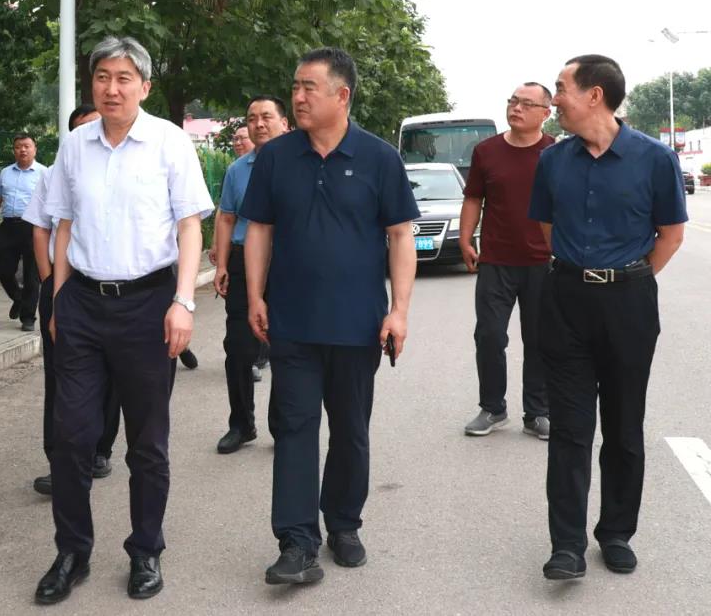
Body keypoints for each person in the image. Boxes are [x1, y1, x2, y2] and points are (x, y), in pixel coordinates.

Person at [34, 36, 213, 605]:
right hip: (83, 305)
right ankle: (72, 551)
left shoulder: (169, 141)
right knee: (71, 437)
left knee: (147, 442)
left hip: (148, 305)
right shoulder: (74, 145)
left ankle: (145, 550)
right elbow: (63, 225)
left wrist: (183, 301)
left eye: (123, 78)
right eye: (102, 77)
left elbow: (190, 226)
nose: (111, 88)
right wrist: (58, 300)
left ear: (145, 87)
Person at [241, 47, 419, 585]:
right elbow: (260, 229)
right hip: (292, 321)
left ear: (342, 95)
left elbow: (400, 235)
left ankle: (343, 523)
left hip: (357, 324)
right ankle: (297, 541)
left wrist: (399, 311)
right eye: (295, 86)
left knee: (350, 430)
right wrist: (255, 296)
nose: (297, 97)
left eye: (309, 88)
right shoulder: (276, 157)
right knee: (294, 428)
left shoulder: (379, 157)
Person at [529, 55, 685, 580]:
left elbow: (671, 234)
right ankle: (567, 545)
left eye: (561, 88)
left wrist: (627, 278)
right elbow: (548, 229)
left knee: (623, 426)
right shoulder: (553, 161)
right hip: (566, 301)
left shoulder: (655, 159)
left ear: (594, 95)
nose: (554, 99)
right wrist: (585, 273)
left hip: (629, 306)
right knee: (570, 429)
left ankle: (616, 533)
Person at [23, 104, 120, 496]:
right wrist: (50, 283)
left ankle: (99, 450)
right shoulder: (57, 171)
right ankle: (61, 460)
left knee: (110, 375)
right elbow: (41, 228)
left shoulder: (124, 168)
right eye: (83, 128)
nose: (93, 133)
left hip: (108, 287)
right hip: (64, 286)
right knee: (60, 378)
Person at [460, 83, 555, 440]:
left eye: (526, 104)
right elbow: (474, 198)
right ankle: (493, 408)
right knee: (488, 335)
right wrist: (466, 239)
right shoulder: (486, 151)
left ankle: (538, 412)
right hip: (496, 260)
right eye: (513, 101)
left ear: (545, 113)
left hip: (543, 262)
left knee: (540, 340)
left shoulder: (556, 153)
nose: (516, 108)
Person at [213, 96, 288, 454]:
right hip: (244, 263)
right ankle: (241, 424)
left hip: (288, 263)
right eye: (252, 118)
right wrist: (222, 264)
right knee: (239, 348)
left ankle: (282, 425)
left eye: (267, 117)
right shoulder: (237, 170)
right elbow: (227, 217)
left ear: (285, 123)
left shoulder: (301, 165)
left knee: (287, 346)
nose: (259, 124)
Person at [0, 134, 46, 331]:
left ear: (35, 149)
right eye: (18, 146)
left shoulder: (44, 173)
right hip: (9, 226)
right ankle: (18, 298)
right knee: (3, 270)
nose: (22, 150)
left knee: (31, 274)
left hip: (33, 227)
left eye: (27, 146)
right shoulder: (5, 173)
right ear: (14, 150)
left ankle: (28, 317)